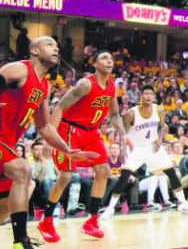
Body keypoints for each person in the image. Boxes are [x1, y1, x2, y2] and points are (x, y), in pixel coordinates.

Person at [0, 36, 94, 248]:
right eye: (49, 45)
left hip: (3, 144)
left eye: (57, 46)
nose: (56, 48)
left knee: (5, 206)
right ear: (35, 50)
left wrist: (67, 150)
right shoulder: (19, 70)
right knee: (23, 170)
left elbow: (44, 127)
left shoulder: (44, 88)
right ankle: (21, 241)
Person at [37, 51, 129, 243]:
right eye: (104, 58)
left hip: (91, 132)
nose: (109, 61)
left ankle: (92, 221)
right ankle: (46, 221)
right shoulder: (86, 84)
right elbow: (59, 107)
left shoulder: (112, 87)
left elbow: (114, 115)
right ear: (95, 64)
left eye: (111, 59)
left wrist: (122, 133)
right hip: (69, 130)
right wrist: (49, 139)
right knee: (66, 176)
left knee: (103, 171)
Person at [100, 86, 188, 218]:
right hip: (135, 148)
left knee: (172, 173)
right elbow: (123, 133)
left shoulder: (159, 110)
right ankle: (110, 208)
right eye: (146, 93)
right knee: (124, 177)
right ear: (141, 96)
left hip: (152, 147)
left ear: (154, 97)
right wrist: (122, 149)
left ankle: (183, 203)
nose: (149, 96)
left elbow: (161, 127)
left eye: (151, 93)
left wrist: (160, 139)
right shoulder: (131, 114)